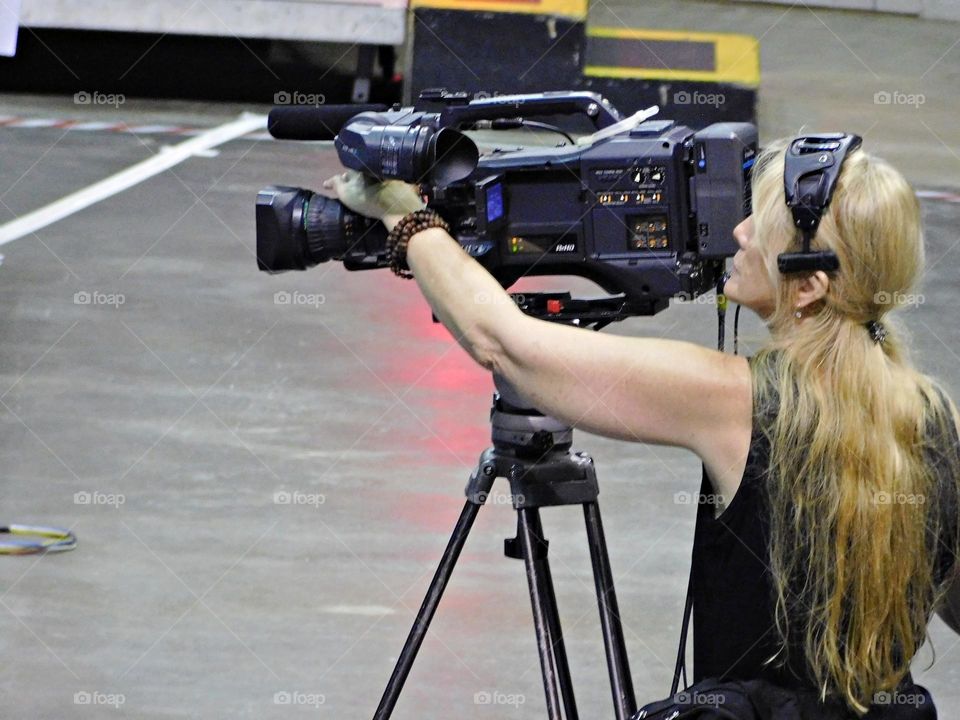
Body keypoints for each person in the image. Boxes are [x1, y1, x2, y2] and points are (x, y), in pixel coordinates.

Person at [323, 136, 960, 718]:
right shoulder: (933, 416)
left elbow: (504, 343)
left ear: (809, 286)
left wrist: (407, 218)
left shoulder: (732, 401)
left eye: (759, 229)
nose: (738, 233)